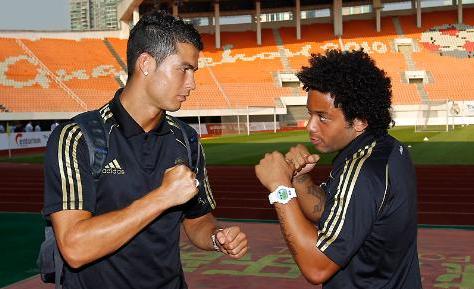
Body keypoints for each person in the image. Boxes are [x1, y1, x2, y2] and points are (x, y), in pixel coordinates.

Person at [43, 11, 248, 289]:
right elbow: (75, 249)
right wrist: (161, 198)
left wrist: (216, 236)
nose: (192, 84)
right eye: (184, 69)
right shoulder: (78, 137)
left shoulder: (185, 140)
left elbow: (197, 220)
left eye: (194, 72)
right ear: (146, 63)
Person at [255, 49, 421, 288]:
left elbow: (317, 267)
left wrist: (280, 188)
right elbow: (331, 213)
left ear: (360, 121)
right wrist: (300, 179)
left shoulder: (363, 169)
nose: (310, 126)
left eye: (323, 117)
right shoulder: (383, 149)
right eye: (310, 114)